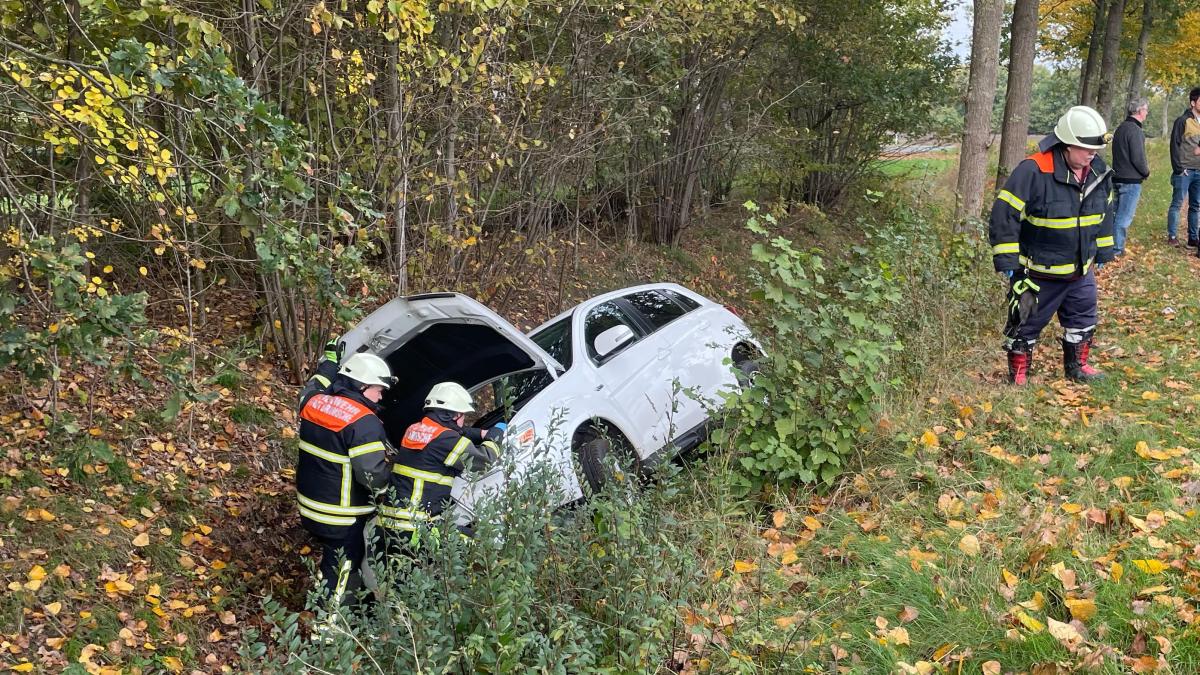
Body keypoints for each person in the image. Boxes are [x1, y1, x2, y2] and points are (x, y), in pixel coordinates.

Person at [989, 105, 1115, 385]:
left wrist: (1105, 250)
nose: (1092, 153)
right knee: (1024, 323)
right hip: (1038, 273)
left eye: (1095, 148)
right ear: (1067, 144)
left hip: (1080, 270)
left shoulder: (1099, 172)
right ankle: (1019, 376)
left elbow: (1105, 214)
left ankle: (1077, 367)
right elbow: (1004, 215)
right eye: (1085, 148)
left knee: (1083, 318)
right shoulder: (1034, 170)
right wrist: (1008, 262)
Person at [295, 352, 396, 609]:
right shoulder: (365, 423)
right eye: (378, 389)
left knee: (330, 563)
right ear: (362, 387)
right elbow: (371, 476)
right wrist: (391, 482)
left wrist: (329, 363)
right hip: (342, 515)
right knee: (342, 571)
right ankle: (329, 634)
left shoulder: (313, 402)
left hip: (309, 505)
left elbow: (315, 384)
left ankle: (323, 600)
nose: (381, 396)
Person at [377, 382, 503, 549]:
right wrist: (494, 437)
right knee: (480, 547)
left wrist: (479, 433)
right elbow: (484, 460)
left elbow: (453, 433)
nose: (464, 419)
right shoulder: (446, 441)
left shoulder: (414, 429)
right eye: (463, 415)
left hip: (390, 522)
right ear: (453, 415)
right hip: (416, 528)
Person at [1110, 97, 1150, 256]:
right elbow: (1138, 158)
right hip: (1130, 180)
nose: (1147, 113)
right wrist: (1146, 172)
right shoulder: (1135, 130)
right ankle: (1116, 250)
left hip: (1117, 177)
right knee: (1124, 217)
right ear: (1140, 111)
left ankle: (1109, 246)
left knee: (1114, 214)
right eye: (1146, 110)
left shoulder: (1120, 128)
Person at [1166, 87, 1200, 247]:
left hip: (1199, 171)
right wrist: (1179, 168)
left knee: (1195, 205)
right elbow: (1174, 145)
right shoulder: (1182, 120)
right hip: (1185, 171)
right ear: (1193, 103)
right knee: (1177, 203)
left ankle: (1193, 238)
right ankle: (1172, 236)